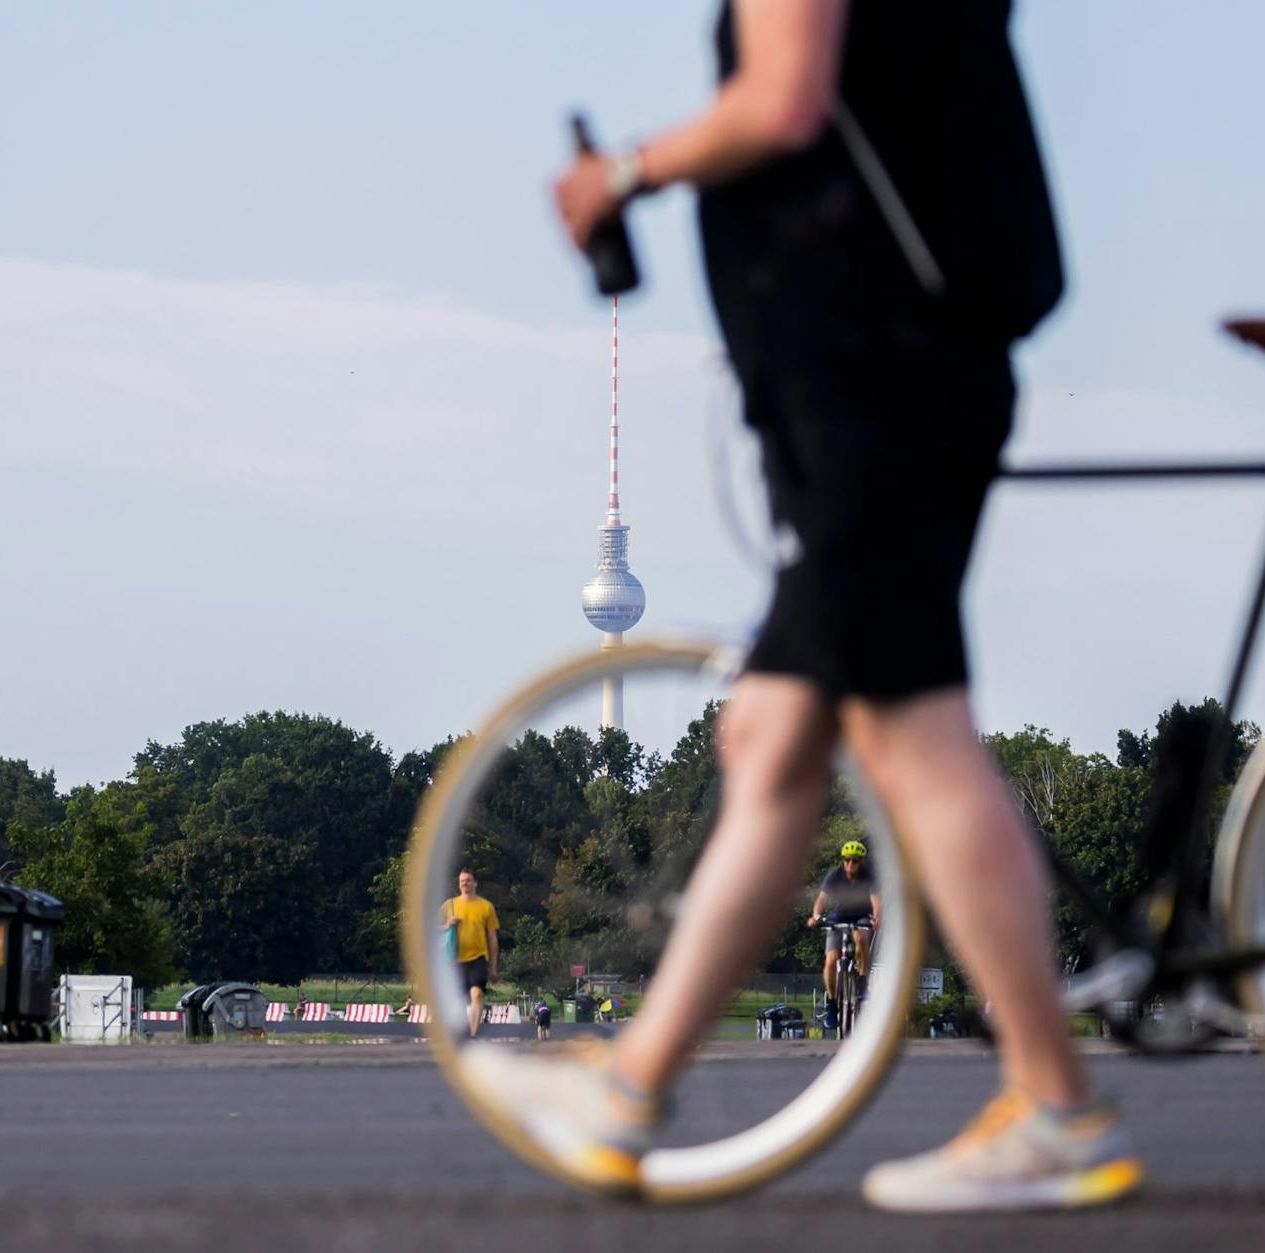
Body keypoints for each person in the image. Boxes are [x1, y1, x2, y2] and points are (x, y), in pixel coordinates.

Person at [474, 0, 1138, 1213]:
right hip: (894, 369)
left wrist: (617, 173)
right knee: (770, 732)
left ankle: (1055, 1104)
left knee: (911, 736)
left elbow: (781, 98)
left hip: (870, 377)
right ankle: (625, 1087)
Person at [807, 839, 880, 1029]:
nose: (850, 864)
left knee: (861, 938)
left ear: (861, 861)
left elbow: (876, 901)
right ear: (843, 861)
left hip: (861, 917)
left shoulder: (869, 877)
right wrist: (815, 916)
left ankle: (863, 982)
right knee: (831, 959)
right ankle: (831, 1003)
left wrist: (876, 918)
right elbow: (822, 899)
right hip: (837, 919)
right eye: (847, 860)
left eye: (855, 860)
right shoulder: (834, 877)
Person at [442, 869, 500, 1039]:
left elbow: (492, 939)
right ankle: (459, 1030)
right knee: (459, 999)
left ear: (475, 883)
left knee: (477, 994)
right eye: (462, 881)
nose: (464, 884)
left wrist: (493, 968)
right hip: (455, 959)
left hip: (478, 958)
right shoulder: (449, 905)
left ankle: (473, 1034)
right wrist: (447, 925)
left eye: (468, 880)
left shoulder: (486, 907)